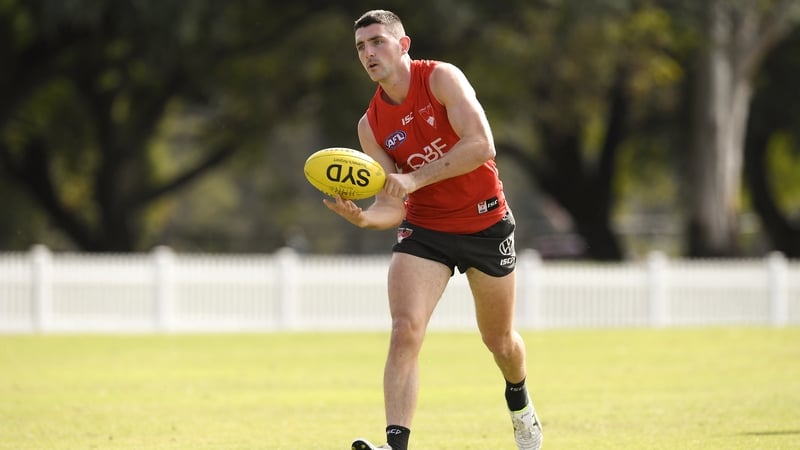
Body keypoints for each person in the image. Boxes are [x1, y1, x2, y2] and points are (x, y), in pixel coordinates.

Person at [323, 9, 543, 450]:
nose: (368, 53)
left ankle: (519, 403)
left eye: (377, 42)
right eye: (361, 47)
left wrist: (414, 178)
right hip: (425, 230)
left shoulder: (442, 78)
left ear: (403, 45)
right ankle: (396, 445)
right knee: (406, 328)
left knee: (499, 342)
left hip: (485, 223)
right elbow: (392, 202)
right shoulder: (370, 126)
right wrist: (365, 217)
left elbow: (482, 145)